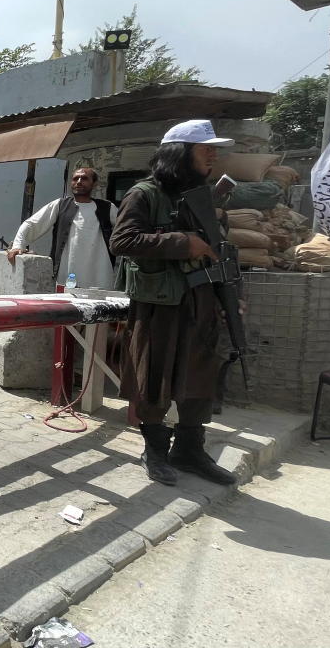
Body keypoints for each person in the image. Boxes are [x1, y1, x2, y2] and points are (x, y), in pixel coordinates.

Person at [110, 120, 238, 487]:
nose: (214, 155)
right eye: (206, 149)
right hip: (159, 304)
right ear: (179, 154)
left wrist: (230, 299)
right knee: (154, 376)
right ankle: (154, 450)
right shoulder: (145, 194)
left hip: (200, 302)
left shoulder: (204, 197)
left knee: (200, 377)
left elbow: (219, 251)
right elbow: (124, 240)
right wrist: (183, 242)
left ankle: (189, 450)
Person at [7, 167, 117, 289]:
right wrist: (18, 245)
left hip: (100, 277)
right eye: (75, 178)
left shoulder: (108, 208)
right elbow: (31, 224)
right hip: (66, 277)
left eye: (84, 178)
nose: (79, 181)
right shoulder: (60, 205)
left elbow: (126, 230)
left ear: (94, 183)